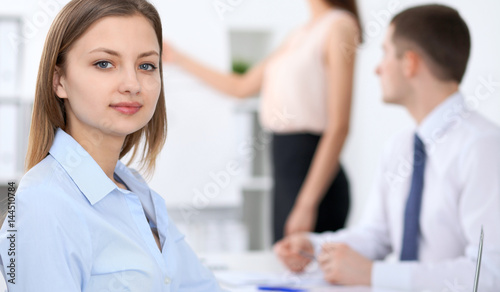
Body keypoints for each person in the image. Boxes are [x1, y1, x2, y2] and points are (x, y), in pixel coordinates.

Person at [0, 0, 225, 291]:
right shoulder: (40, 207)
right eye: (104, 63)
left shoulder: (134, 189)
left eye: (146, 65)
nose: (132, 84)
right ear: (59, 81)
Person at [274, 4, 500, 291]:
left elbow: (489, 273)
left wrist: (375, 275)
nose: (377, 68)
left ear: (410, 63)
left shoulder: (484, 148)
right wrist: (316, 247)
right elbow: (377, 235)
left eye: (384, 52)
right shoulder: (400, 147)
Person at [163, 0, 362, 242]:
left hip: (313, 178)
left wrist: (306, 204)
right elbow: (241, 86)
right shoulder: (299, 34)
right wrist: (178, 58)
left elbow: (340, 125)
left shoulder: (340, 26)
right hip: (284, 171)